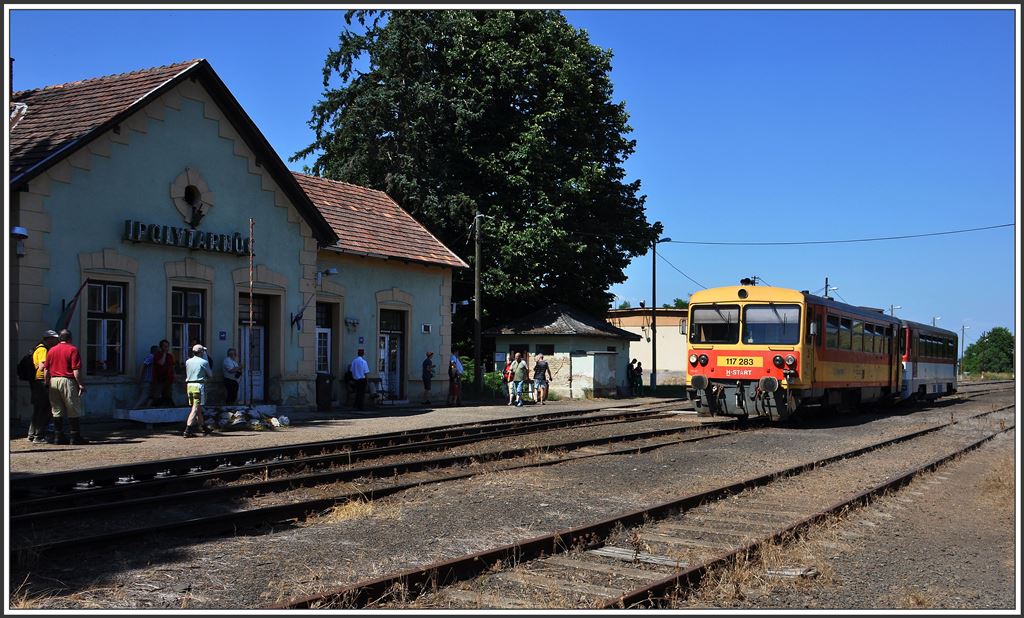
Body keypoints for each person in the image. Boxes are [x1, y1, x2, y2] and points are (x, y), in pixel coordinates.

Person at [44, 329, 89, 445]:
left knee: (56, 410)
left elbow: (46, 369)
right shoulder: (72, 349)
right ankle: (75, 436)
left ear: (59, 338)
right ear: (70, 338)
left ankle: (58, 436)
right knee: (72, 408)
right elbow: (76, 370)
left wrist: (47, 382)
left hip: (54, 380)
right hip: (68, 380)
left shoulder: (51, 350)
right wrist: (80, 384)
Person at [27, 330, 60, 443]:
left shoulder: (39, 348)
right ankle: (39, 436)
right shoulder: (42, 350)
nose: (57, 340)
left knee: (38, 409)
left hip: (38, 382)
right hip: (42, 381)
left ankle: (32, 434)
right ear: (49, 339)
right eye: (55, 338)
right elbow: (42, 367)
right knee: (45, 409)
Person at [183, 344, 214, 438]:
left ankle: (204, 428)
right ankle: (188, 430)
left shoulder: (188, 361)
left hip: (189, 386)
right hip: (198, 385)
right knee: (195, 408)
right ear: (201, 352)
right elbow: (210, 375)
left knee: (198, 408)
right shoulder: (203, 362)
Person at [153, 339, 175, 406]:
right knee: (157, 395)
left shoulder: (170, 356)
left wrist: (174, 376)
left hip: (168, 379)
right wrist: (164, 354)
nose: (166, 348)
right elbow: (161, 363)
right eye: (165, 346)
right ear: (161, 347)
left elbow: (172, 367)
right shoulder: (157, 355)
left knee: (168, 395)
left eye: (167, 346)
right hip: (159, 379)